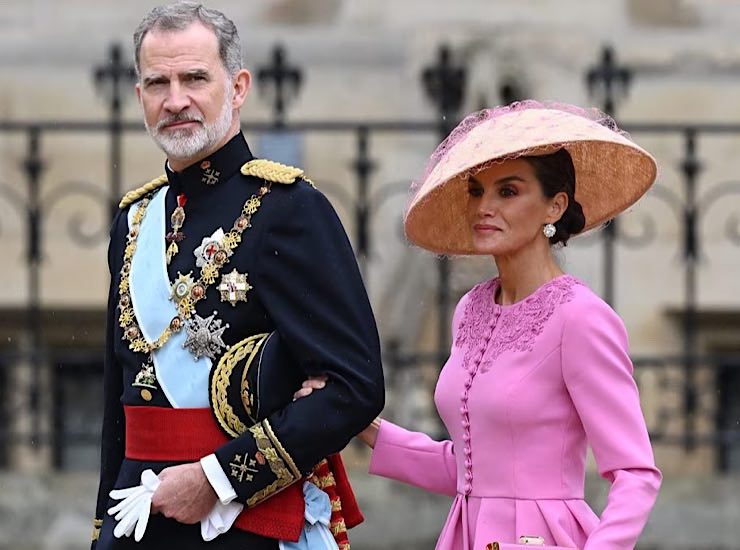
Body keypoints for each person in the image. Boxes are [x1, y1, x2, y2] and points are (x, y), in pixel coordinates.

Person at [89, 2, 384, 549]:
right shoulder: (134, 221)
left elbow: (355, 386)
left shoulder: (288, 210)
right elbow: (118, 405)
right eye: (158, 83)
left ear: (239, 86)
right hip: (136, 522)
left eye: (195, 78)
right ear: (139, 97)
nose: (175, 100)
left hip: (241, 524)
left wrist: (217, 478)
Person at [306, 101, 662, 549]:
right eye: (477, 191)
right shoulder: (470, 309)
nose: (484, 207)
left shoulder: (581, 318)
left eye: (508, 192)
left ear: (555, 206)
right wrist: (364, 426)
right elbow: (469, 469)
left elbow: (635, 474)